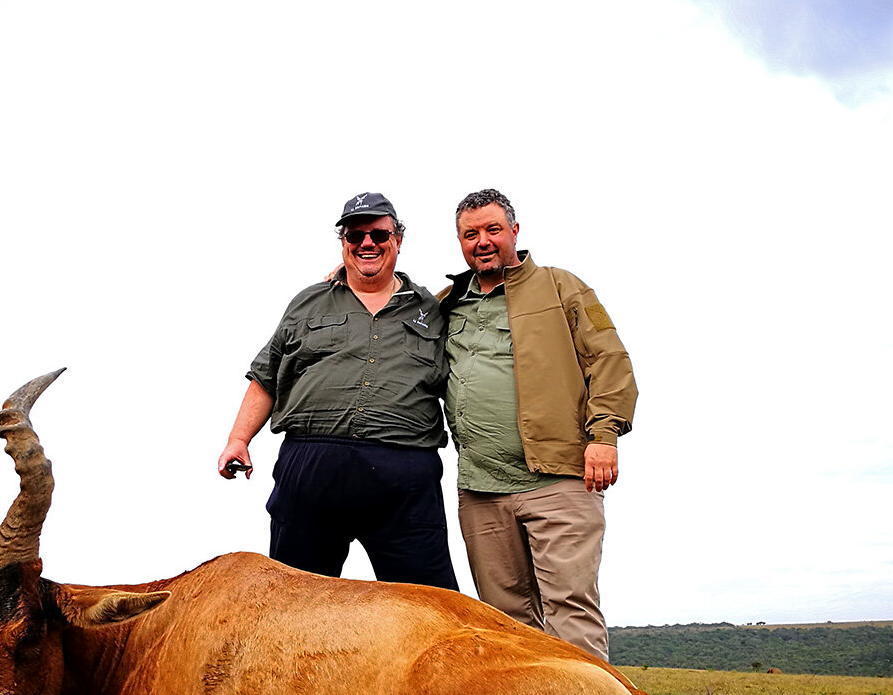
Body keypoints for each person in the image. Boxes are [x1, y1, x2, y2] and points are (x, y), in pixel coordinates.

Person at [218, 192, 458, 590]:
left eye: (379, 235)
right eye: (355, 235)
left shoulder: (432, 309)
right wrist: (238, 439)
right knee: (294, 602)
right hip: (312, 469)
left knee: (433, 606)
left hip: (406, 478)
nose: (367, 243)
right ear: (343, 242)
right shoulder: (308, 302)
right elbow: (267, 375)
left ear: (398, 239)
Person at [437, 189, 637, 660]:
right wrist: (342, 278)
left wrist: (604, 436)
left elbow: (609, 360)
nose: (482, 241)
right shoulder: (446, 303)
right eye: (471, 234)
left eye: (492, 229)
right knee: (506, 624)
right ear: (460, 241)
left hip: (559, 480)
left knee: (570, 612)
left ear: (514, 231)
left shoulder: (561, 287)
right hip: (481, 490)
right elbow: (386, 299)